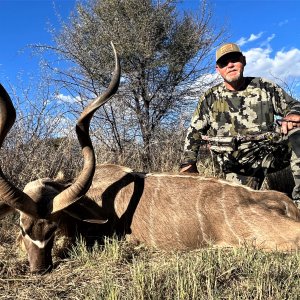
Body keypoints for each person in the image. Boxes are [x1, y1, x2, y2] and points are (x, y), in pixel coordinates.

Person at [180, 42, 300, 206]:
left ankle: (298, 201)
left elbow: (294, 105)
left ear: (243, 60)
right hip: (237, 164)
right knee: (238, 211)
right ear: (218, 69)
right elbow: (194, 131)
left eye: (234, 59)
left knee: (298, 131)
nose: (230, 65)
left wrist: (293, 114)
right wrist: (188, 164)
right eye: (224, 63)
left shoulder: (265, 86)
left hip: (271, 153)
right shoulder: (210, 98)